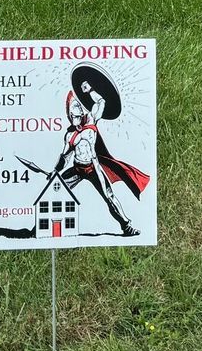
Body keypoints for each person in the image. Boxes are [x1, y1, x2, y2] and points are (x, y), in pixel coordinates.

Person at [50, 65, 149, 237]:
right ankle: (45, 225)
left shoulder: (91, 121)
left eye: (79, 107)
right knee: (54, 190)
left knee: (109, 196)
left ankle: (127, 226)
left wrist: (89, 91)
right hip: (77, 169)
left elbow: (101, 102)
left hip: (94, 167)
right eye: (74, 107)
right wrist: (54, 172)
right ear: (69, 113)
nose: (78, 108)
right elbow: (65, 157)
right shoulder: (69, 135)